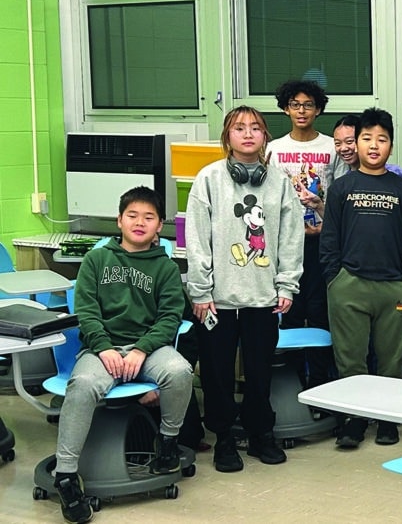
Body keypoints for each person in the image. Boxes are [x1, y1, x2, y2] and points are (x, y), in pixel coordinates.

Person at [55, 186, 192, 524]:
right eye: (132, 215)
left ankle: (168, 443)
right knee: (83, 384)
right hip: (102, 350)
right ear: (119, 220)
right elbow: (85, 311)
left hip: (147, 349)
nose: (140, 222)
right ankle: (66, 476)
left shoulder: (166, 267)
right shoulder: (96, 260)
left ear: (160, 225)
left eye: (149, 217)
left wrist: (142, 350)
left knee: (180, 371)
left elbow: (170, 317)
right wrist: (103, 348)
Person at [186, 106, 304, 473]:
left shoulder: (280, 182)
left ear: (265, 136)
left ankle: (259, 434)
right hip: (217, 300)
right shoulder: (208, 179)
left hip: (264, 297)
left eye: (256, 128)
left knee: (259, 371)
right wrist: (201, 291)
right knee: (218, 374)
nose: (248, 134)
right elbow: (196, 238)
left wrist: (287, 284)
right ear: (228, 136)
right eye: (240, 128)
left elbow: (290, 237)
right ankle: (223, 439)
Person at [320, 107, 402, 448]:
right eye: (367, 138)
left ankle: (387, 421)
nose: (374, 145)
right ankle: (353, 421)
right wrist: (334, 278)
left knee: (392, 359)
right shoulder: (341, 188)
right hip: (349, 285)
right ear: (356, 143)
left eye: (382, 139)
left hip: (394, 287)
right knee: (350, 359)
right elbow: (330, 238)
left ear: (391, 145)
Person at [265, 79, 335, 388]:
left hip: (323, 243)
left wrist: (324, 220)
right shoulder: (274, 149)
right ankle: (292, 383)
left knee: (321, 312)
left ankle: (320, 383)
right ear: (285, 109)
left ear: (318, 109)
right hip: (285, 245)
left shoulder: (332, 146)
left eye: (308, 105)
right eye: (295, 105)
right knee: (289, 311)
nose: (301, 111)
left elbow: (341, 193)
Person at [332, 115, 402, 207]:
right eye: (337, 143)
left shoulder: (398, 174)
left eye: (349, 142)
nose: (343, 148)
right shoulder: (343, 182)